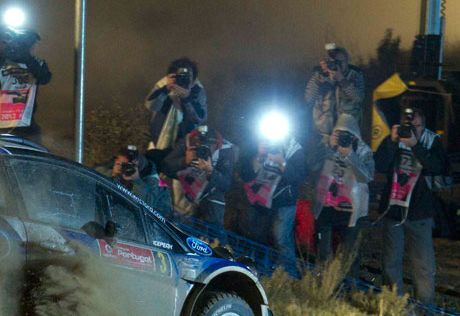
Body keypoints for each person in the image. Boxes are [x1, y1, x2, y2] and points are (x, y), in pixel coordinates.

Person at [374, 108, 448, 304]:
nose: (411, 130)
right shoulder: (394, 139)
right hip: (393, 209)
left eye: (416, 126)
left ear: (423, 126)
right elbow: (380, 165)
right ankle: (394, 303)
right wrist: (391, 142)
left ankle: (425, 308)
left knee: (423, 264)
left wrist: (416, 146)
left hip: (421, 211)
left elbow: (438, 167)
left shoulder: (432, 141)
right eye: (408, 126)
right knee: (391, 261)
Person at [309, 114, 375, 264]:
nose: (342, 138)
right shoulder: (325, 145)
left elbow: (367, 177)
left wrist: (350, 155)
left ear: (354, 136)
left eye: (347, 135)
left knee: (348, 257)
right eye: (339, 133)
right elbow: (312, 166)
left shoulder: (363, 150)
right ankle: (324, 278)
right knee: (323, 254)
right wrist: (329, 148)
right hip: (325, 208)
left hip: (350, 211)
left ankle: (347, 279)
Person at [239, 133, 307, 269]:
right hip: (259, 199)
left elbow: (298, 179)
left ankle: (287, 273)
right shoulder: (260, 144)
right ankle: (258, 268)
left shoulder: (295, 150)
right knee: (257, 234)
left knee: (280, 237)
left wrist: (282, 162)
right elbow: (246, 174)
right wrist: (258, 155)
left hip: (284, 201)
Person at [0, 25, 51, 143]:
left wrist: (26, 57)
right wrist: (2, 57)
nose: (35, 48)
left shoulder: (36, 63)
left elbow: (45, 78)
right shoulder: (1, 62)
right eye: (34, 44)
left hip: (27, 129)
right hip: (1, 127)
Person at [156, 125, 234, 229]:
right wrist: (184, 161)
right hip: (185, 194)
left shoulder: (225, 150)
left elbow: (226, 185)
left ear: (217, 144)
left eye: (208, 147)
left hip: (211, 198)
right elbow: (165, 167)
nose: (203, 150)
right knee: (182, 226)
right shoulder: (187, 142)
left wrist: (211, 171)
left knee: (212, 228)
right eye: (199, 147)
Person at [144, 57, 207, 156]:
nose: (183, 79)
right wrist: (165, 89)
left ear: (194, 78)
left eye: (187, 76)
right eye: (179, 75)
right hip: (159, 143)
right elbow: (151, 106)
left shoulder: (197, 90)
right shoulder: (163, 85)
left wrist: (187, 99)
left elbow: (199, 118)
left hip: (183, 146)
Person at [304, 45, 365, 142]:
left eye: (340, 62)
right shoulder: (319, 76)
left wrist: (342, 80)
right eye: (334, 62)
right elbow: (308, 100)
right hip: (323, 135)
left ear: (347, 61)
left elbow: (359, 98)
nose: (337, 65)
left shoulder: (355, 75)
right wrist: (319, 80)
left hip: (348, 135)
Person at [96, 146, 171, 213]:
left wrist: (137, 181)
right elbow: (94, 172)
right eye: (120, 164)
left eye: (126, 165)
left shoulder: (151, 178)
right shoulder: (116, 163)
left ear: (136, 163)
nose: (123, 168)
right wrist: (112, 174)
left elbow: (148, 204)